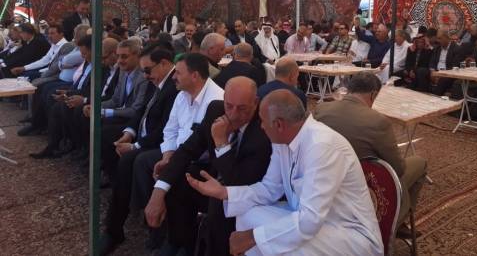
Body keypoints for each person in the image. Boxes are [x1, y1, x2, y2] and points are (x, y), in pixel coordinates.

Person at [185, 89, 384, 256]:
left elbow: (309, 220)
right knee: (247, 214)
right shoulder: (282, 141)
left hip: (350, 234)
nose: (261, 126)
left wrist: (253, 237)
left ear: (279, 124)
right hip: (313, 222)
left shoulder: (321, 146)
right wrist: (224, 192)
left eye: (263, 121)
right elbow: (269, 189)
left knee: (273, 241)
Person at [145, 77, 272, 256]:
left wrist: (221, 142)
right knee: (181, 179)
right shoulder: (216, 109)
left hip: (247, 191)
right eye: (229, 106)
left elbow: (237, 182)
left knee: (218, 204)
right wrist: (159, 190)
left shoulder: (264, 127)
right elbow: (188, 149)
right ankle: (181, 242)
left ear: (256, 102)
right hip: (217, 176)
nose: (233, 114)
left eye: (242, 108)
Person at [314, 72, 427, 232]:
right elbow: (398, 169)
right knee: (420, 163)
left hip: (324, 178)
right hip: (363, 184)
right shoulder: (378, 121)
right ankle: (398, 220)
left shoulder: (321, 109)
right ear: (373, 94)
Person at [99, 45, 179, 254]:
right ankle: (121, 201)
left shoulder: (174, 86)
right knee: (112, 142)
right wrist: (129, 133)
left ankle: (116, 227)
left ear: (164, 63)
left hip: (164, 144)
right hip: (145, 137)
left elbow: (165, 129)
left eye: (147, 70)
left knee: (131, 161)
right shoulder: (157, 81)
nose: (145, 75)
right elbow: (141, 111)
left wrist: (136, 145)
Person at [131, 54, 224, 222]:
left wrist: (172, 160)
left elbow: (200, 147)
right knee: (141, 161)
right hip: (178, 153)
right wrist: (167, 155)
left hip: (200, 162)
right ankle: (148, 215)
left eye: (178, 73)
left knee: (172, 176)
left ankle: (165, 225)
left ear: (194, 76)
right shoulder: (182, 95)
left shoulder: (216, 101)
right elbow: (170, 130)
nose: (173, 76)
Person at [419, 29, 462, 95]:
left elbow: (454, 66)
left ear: (446, 37)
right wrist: (432, 71)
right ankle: (423, 93)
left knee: (443, 79)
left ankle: (435, 96)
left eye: (440, 38)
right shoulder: (437, 48)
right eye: (437, 38)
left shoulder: (456, 49)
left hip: (447, 73)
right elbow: (432, 62)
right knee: (421, 71)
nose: (438, 40)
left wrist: (441, 74)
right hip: (436, 72)